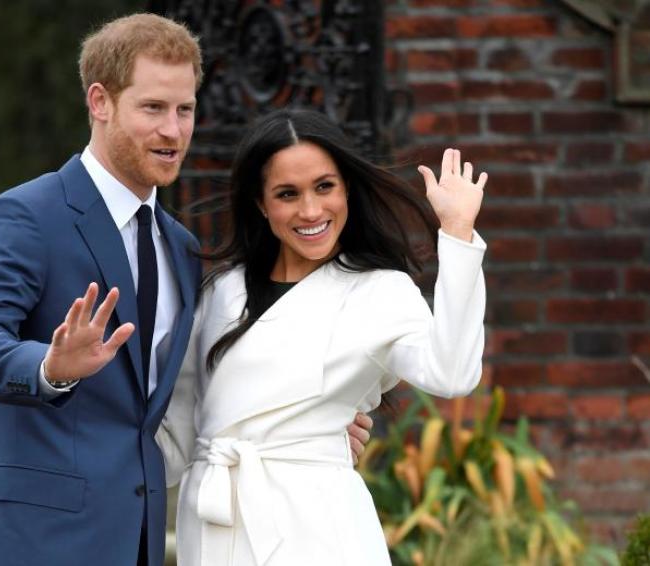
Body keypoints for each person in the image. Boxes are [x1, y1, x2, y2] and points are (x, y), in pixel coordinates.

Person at [0, 14, 371, 566]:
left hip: (139, 536)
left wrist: (306, 427)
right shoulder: (26, 215)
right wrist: (51, 367)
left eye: (185, 110)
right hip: (38, 535)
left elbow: (196, 395)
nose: (173, 131)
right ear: (100, 102)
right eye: (153, 109)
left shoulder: (181, 248)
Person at [156, 108, 488, 566]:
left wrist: (456, 232)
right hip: (215, 526)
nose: (311, 210)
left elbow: (451, 373)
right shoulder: (219, 293)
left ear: (346, 187)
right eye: (287, 194)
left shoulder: (379, 291)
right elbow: (174, 440)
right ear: (260, 202)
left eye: (324, 187)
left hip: (319, 531)